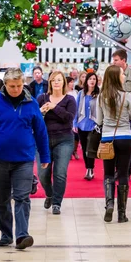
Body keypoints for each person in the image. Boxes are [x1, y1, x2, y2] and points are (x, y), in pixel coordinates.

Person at [0, 68, 50, 250]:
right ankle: (6, 233)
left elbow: (41, 131)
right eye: (12, 86)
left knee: (22, 197)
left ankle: (22, 236)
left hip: (24, 159)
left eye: (19, 85)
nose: (16, 89)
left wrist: (45, 155)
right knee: (0, 201)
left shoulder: (31, 102)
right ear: (5, 85)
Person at [96, 65, 131, 223]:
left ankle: (109, 205)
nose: (124, 76)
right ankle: (122, 214)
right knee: (122, 174)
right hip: (125, 138)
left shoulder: (102, 96)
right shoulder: (127, 96)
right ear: (117, 77)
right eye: (122, 74)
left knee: (108, 174)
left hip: (108, 138)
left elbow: (99, 120)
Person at [37, 71, 77, 215]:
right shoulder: (41, 98)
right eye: (53, 80)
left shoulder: (70, 100)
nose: (56, 82)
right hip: (43, 140)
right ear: (50, 82)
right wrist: (41, 111)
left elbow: (69, 118)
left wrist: (55, 107)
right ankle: (50, 194)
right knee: (43, 174)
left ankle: (56, 203)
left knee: (60, 173)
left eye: (59, 80)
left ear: (63, 83)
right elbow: (34, 119)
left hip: (64, 139)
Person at [73, 72, 100, 180]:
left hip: (93, 125)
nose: (92, 81)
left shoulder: (99, 94)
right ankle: (88, 167)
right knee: (84, 148)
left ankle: (90, 169)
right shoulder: (81, 93)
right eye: (90, 79)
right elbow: (76, 109)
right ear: (86, 81)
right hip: (81, 124)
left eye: (94, 79)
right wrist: (74, 123)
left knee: (91, 148)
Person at [66, 76, 80, 159]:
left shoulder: (76, 92)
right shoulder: (64, 93)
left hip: (76, 114)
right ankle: (69, 152)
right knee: (69, 134)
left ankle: (74, 150)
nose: (72, 83)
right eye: (70, 82)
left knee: (76, 135)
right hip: (68, 115)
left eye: (72, 82)